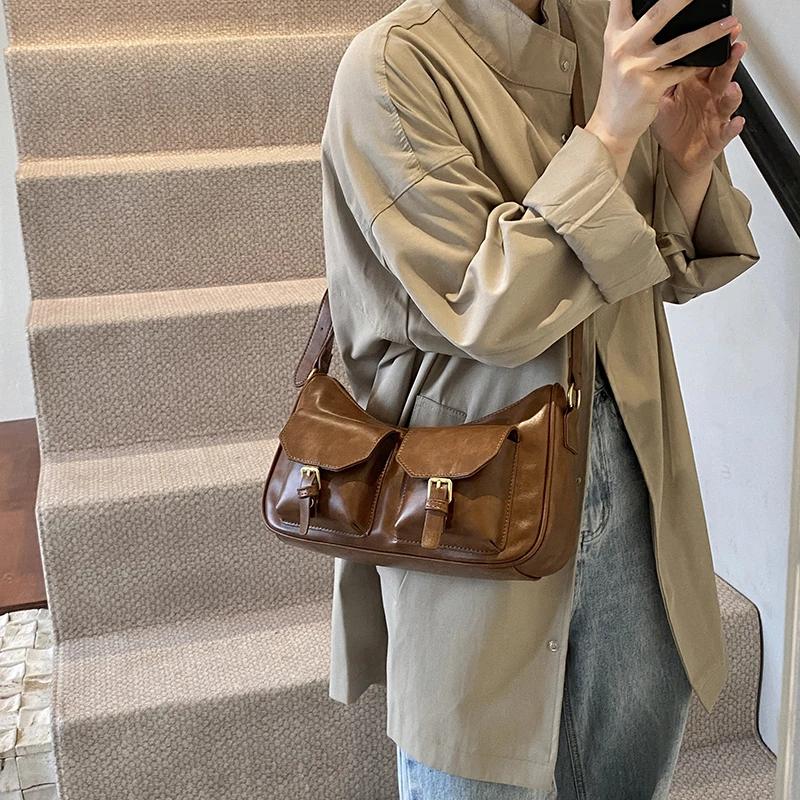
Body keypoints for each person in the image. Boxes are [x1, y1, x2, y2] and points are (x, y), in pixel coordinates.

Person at [319, 0, 761, 796]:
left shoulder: (601, 30)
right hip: (474, 513)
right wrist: (611, 134)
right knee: (479, 761)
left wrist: (688, 165)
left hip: (635, 500)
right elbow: (491, 308)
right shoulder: (391, 67)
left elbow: (653, 264)